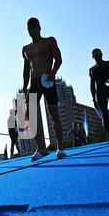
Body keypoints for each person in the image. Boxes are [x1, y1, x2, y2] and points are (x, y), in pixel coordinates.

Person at [22, 18, 66, 161]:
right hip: (34, 82)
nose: (31, 30)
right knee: (31, 112)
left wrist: (53, 72)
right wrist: (24, 86)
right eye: (29, 28)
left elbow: (58, 58)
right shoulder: (25, 49)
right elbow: (26, 69)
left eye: (33, 27)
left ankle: (60, 147)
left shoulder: (49, 41)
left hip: (47, 79)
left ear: (39, 27)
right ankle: (41, 148)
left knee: (53, 112)